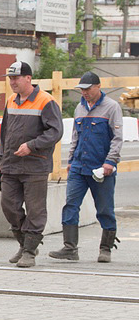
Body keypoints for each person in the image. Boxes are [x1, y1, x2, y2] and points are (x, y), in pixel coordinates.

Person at [0, 61, 63, 268]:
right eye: (10, 78)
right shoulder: (11, 100)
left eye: (16, 78)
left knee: (35, 210)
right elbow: (5, 133)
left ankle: (29, 251)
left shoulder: (46, 101)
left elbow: (55, 132)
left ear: (28, 78)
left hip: (35, 166)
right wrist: (1, 159)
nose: (12, 82)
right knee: (8, 206)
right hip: (11, 164)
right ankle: (25, 243)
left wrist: (32, 146)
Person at [51, 71, 122, 263]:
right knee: (70, 206)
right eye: (82, 90)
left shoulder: (112, 108)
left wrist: (110, 162)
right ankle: (69, 248)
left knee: (104, 209)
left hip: (101, 169)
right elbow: (76, 136)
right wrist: (71, 160)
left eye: (88, 89)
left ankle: (105, 248)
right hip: (78, 168)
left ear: (98, 87)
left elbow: (117, 139)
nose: (84, 93)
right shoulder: (79, 109)